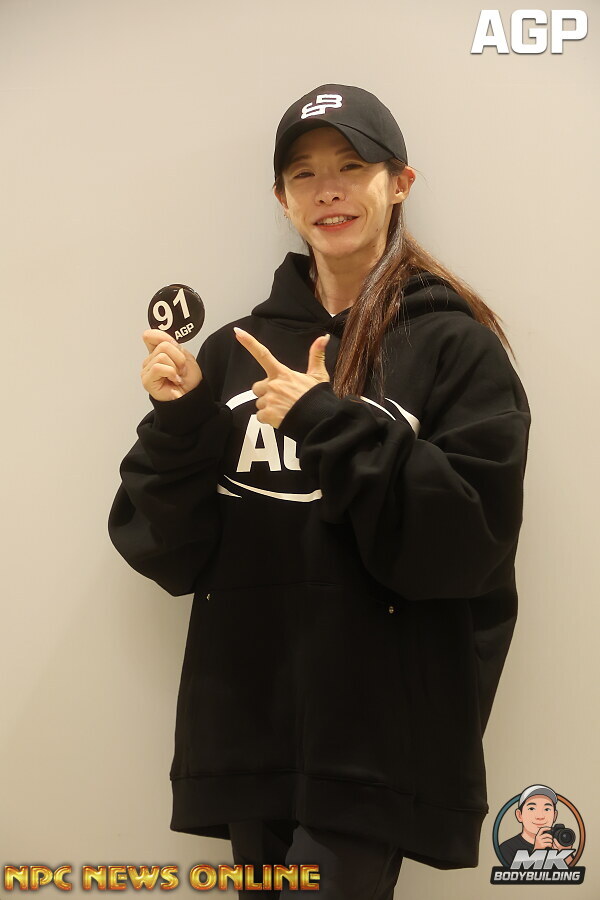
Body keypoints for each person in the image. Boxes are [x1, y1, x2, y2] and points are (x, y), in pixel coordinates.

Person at [108, 83, 531, 898]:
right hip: (250, 729)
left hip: (375, 747)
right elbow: (167, 550)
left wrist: (326, 420)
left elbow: (469, 544)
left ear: (399, 183)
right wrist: (183, 420)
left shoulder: (455, 347)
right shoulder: (237, 351)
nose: (327, 190)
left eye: (351, 166)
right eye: (304, 174)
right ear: (282, 198)